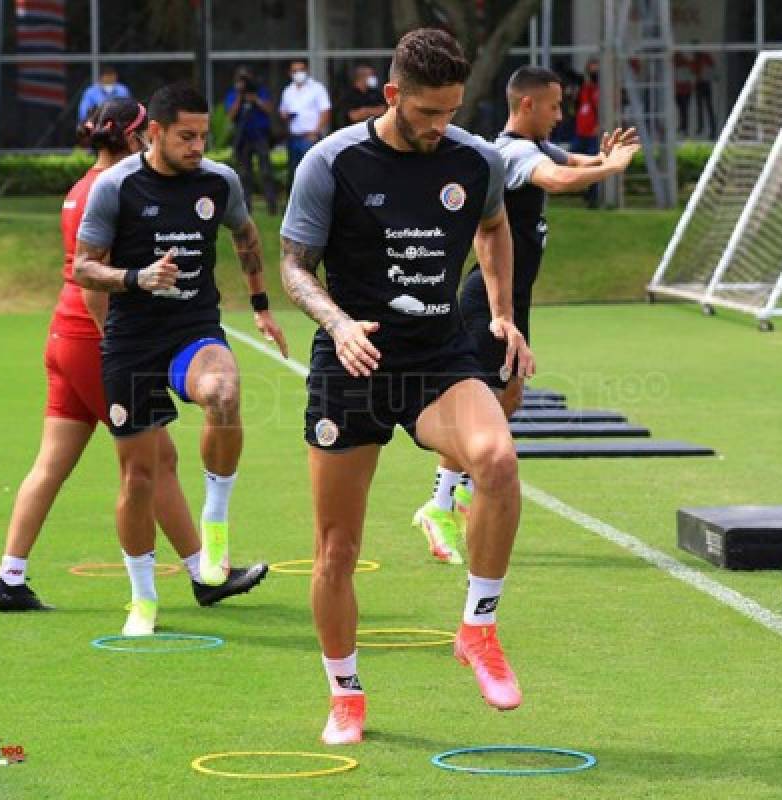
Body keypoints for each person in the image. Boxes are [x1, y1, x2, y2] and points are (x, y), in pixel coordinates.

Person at [280, 27, 534, 746]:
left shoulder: (475, 159)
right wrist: (338, 323)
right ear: (391, 95)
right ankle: (346, 695)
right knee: (335, 548)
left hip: (437, 358)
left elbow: (493, 228)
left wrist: (505, 315)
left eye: (450, 111)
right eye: (426, 112)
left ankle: (478, 631)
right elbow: (295, 266)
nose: (438, 126)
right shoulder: (331, 163)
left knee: (498, 461)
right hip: (352, 361)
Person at [0, 98, 267, 614]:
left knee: (51, 464)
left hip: (61, 335)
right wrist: (112, 344)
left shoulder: (79, 187)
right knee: (154, 462)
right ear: (142, 135)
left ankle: (10, 575)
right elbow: (95, 280)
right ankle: (204, 572)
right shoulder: (116, 185)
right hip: (96, 335)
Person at [73, 82, 285, 636]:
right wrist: (137, 278)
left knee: (225, 392)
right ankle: (143, 598)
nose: (197, 146)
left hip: (193, 330)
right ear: (155, 133)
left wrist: (261, 305)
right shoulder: (116, 188)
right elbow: (83, 268)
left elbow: (245, 236)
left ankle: (215, 516)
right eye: (185, 136)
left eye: (203, 136)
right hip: (132, 341)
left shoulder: (220, 181)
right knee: (139, 481)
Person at [412, 66, 639, 565]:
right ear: (528, 105)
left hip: (515, 299)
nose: (561, 116)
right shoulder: (512, 152)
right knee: (482, 404)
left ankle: (459, 494)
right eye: (555, 107)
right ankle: (441, 504)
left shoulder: (533, 146)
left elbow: (570, 159)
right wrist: (612, 170)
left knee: (511, 395)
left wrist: (604, 156)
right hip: (487, 301)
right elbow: (557, 179)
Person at [224, 67, 278, 215]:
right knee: (244, 174)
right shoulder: (234, 95)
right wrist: (240, 97)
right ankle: (246, 208)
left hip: (260, 136)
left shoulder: (260, 91)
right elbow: (230, 115)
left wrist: (256, 100)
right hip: (243, 138)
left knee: (266, 172)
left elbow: (270, 109)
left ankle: (272, 207)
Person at [279, 59, 332, 187]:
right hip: (294, 137)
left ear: (307, 70)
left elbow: (326, 112)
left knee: (311, 172)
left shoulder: (317, 88)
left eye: (301, 70)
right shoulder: (288, 90)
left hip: (310, 137)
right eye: (295, 71)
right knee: (294, 172)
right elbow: (283, 110)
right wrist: (285, 115)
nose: (298, 73)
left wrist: (316, 131)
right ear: (290, 73)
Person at [573, 58, 600, 208]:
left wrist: (599, 125)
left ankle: (592, 196)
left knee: (592, 164)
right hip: (581, 130)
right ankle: (584, 189)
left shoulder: (601, 90)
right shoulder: (584, 88)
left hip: (593, 133)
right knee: (574, 160)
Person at [693, 50, 717, 139]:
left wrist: (713, 75)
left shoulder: (705, 57)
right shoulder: (696, 59)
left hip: (705, 83)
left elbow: (712, 66)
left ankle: (712, 129)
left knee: (708, 107)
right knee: (700, 107)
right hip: (699, 83)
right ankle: (701, 127)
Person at [673, 52, 694, 136]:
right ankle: (683, 126)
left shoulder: (685, 66)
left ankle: (684, 127)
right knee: (682, 110)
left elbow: (687, 78)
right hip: (679, 91)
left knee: (684, 110)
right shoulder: (675, 67)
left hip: (684, 91)